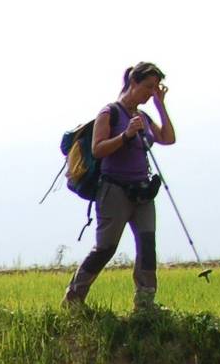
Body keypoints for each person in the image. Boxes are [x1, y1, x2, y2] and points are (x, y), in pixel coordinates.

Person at [63, 62, 176, 311]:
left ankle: (145, 302)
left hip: (142, 190)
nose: (151, 92)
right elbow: (98, 149)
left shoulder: (143, 117)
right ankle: (74, 297)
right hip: (114, 190)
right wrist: (125, 135)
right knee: (105, 248)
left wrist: (160, 105)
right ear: (133, 83)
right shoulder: (110, 113)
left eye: (155, 87)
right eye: (148, 87)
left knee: (147, 244)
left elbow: (168, 138)